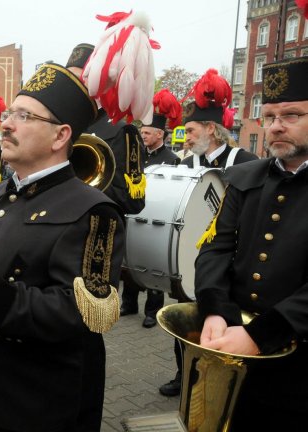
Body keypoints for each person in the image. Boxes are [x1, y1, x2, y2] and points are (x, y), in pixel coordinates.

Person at [0, 63, 125, 432]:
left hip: (34, 403)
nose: (6, 123)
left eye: (24, 116)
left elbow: (81, 316)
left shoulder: (95, 211)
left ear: (60, 136)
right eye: (9, 113)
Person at [194, 56, 308, 430]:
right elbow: (214, 248)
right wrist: (215, 310)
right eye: (270, 116)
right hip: (234, 340)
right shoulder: (244, 177)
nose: (275, 126)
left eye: (291, 115)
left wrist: (262, 335)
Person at [159, 69, 260, 397]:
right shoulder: (186, 165)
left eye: (190, 130)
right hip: (191, 258)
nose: (184, 137)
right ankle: (183, 372)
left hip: (231, 260)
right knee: (188, 321)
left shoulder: (245, 161)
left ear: (211, 130)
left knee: (224, 321)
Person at [121, 89, 182, 328]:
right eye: (141, 132)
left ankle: (152, 310)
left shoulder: (172, 158)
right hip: (135, 213)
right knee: (130, 259)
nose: (142, 135)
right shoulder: (137, 155)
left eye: (146, 132)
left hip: (157, 216)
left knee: (153, 262)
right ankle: (129, 303)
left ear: (160, 134)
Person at [66, 43, 146, 215]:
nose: (71, 86)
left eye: (80, 80)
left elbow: (133, 201)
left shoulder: (122, 132)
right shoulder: (60, 124)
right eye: (68, 79)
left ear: (98, 82)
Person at [180, 69, 258, 169]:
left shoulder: (247, 162)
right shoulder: (186, 165)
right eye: (186, 133)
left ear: (210, 128)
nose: (187, 138)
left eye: (190, 131)